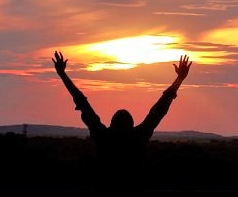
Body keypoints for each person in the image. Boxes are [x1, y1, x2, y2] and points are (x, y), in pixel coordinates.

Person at [52, 51, 192, 190]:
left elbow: (82, 102)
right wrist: (179, 79)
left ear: (112, 124)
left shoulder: (104, 137)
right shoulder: (137, 137)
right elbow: (160, 108)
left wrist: (62, 74)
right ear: (131, 125)